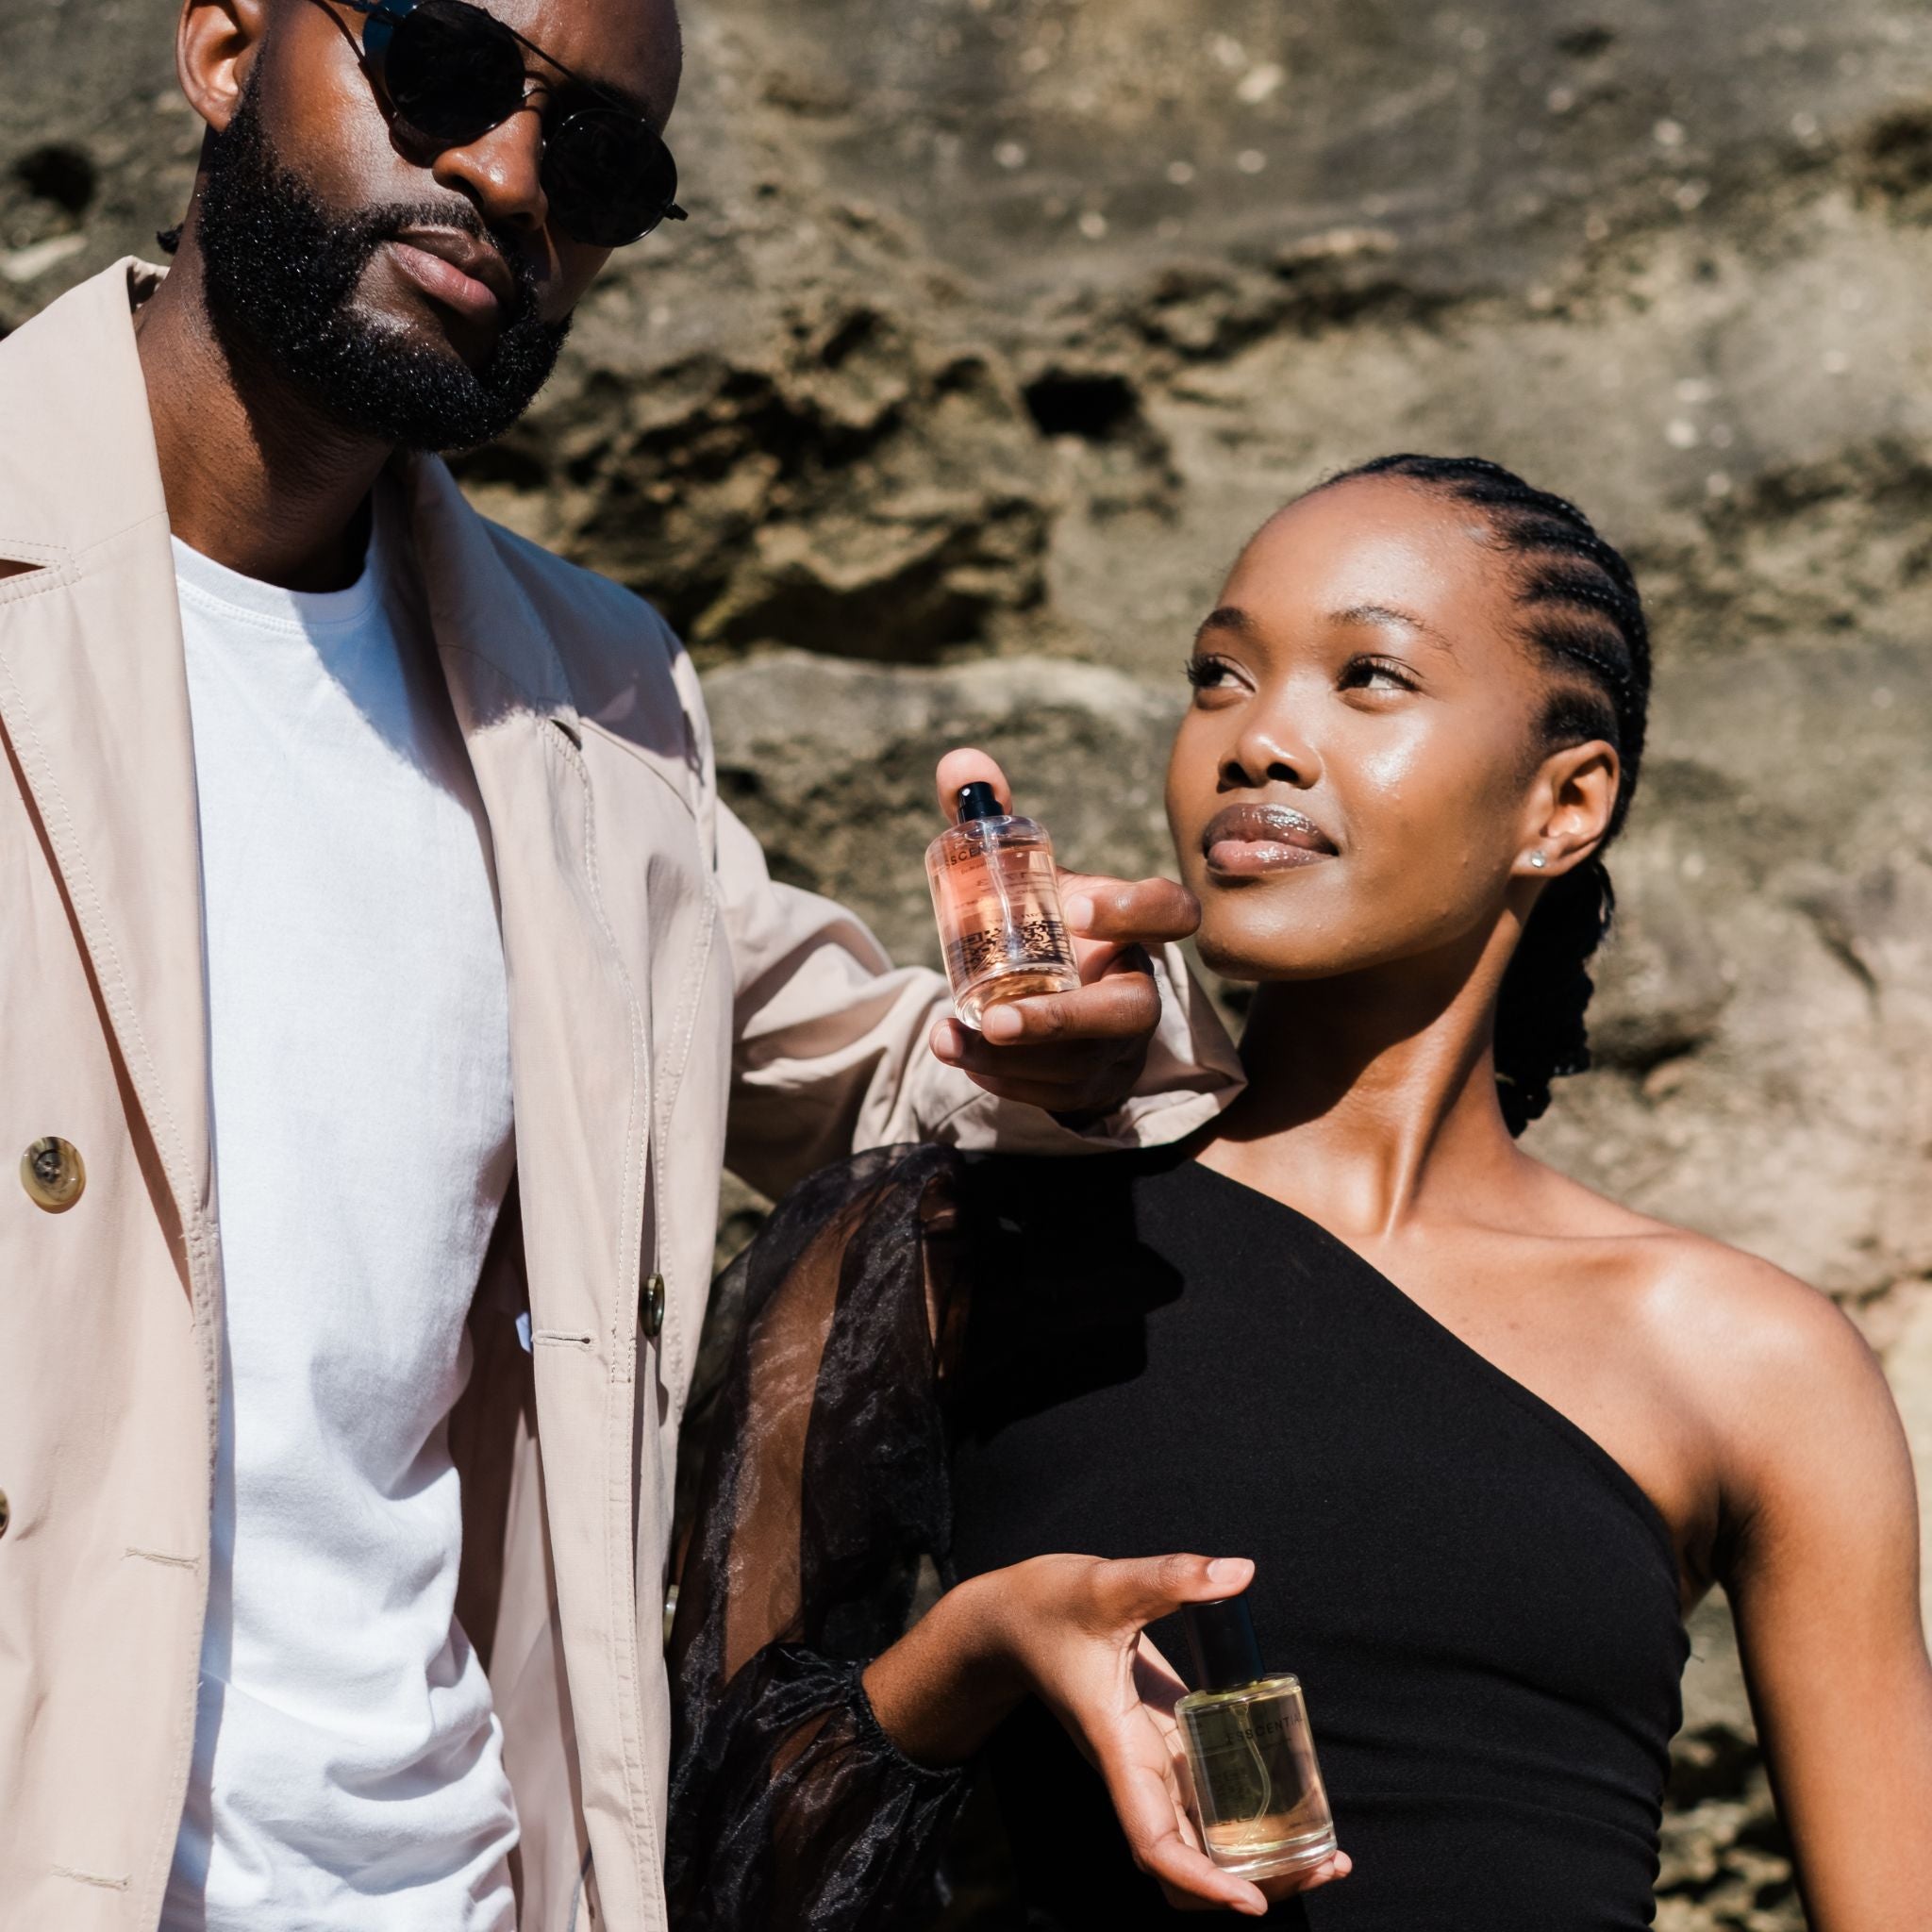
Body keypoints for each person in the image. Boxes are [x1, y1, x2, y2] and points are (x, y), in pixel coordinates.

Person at [0, 1, 1245, 1927]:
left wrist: (1077, 1035)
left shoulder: (590, 695)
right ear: (229, 46)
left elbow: (887, 1069)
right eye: (437, 68)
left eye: (593, 161)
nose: (504, 177)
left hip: (455, 1881)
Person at [667, 456, 1932, 1930]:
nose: (1261, 737)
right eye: (1219, 674)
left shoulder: (1746, 1356)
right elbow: (718, 1855)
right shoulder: (954, 1245)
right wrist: (983, 1643)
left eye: (1370, 677)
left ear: (1562, 804)